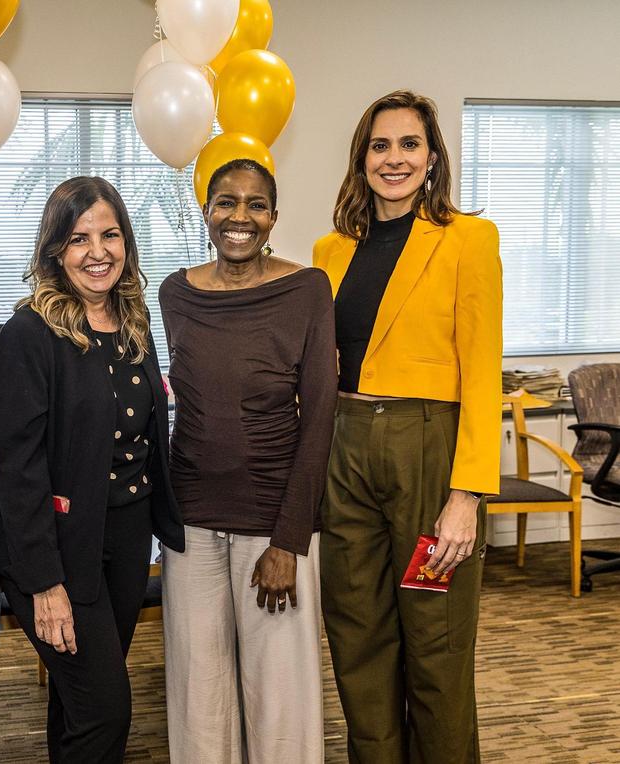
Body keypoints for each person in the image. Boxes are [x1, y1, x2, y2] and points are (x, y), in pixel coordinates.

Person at [314, 90, 502, 764]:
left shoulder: (470, 239)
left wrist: (467, 495)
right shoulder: (329, 250)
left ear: (432, 158)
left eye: (409, 144)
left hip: (428, 455)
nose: (394, 158)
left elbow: (482, 371)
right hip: (346, 452)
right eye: (380, 145)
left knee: (435, 644)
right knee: (359, 642)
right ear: (361, 159)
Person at [0, 176, 185, 763]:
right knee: (105, 708)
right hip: (53, 547)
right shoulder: (30, 333)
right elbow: (18, 467)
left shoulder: (134, 322)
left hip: (125, 537)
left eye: (110, 235)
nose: (98, 252)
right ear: (55, 251)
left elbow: (148, 431)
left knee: (79, 701)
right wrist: (45, 583)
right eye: (79, 239)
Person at [158, 159, 337, 763]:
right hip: (190, 523)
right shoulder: (175, 294)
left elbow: (318, 418)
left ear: (273, 217)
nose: (240, 217)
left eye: (256, 204)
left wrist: (289, 540)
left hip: (273, 522)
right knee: (196, 689)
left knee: (280, 694)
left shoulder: (307, 289)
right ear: (205, 212)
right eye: (226, 203)